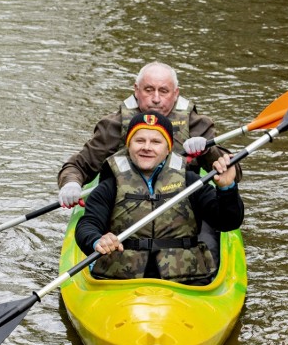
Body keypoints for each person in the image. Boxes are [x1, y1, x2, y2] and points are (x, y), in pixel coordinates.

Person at [75, 111, 243, 285]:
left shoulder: (190, 181)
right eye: (140, 140)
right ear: (128, 145)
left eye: (156, 141)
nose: (147, 147)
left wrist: (226, 189)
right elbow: (87, 225)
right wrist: (97, 240)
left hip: (186, 281)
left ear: (168, 148)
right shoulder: (110, 185)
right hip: (122, 281)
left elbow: (228, 222)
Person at [57, 61, 241, 208]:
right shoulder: (114, 125)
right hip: (124, 204)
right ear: (136, 91)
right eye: (148, 90)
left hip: (183, 205)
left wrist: (208, 151)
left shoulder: (197, 124)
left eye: (163, 91)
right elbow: (78, 166)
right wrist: (70, 183)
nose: (156, 99)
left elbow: (234, 173)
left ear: (175, 94)